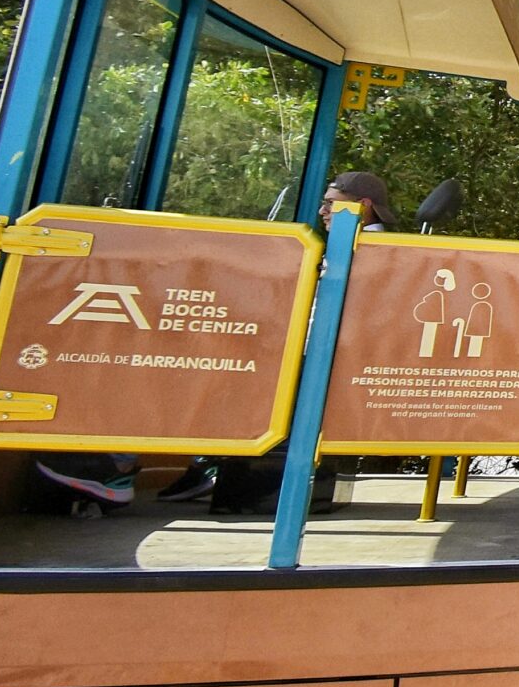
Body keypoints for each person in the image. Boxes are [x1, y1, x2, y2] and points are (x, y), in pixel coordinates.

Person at [162, 169, 400, 505]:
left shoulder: (375, 248)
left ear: (362, 206)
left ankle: (213, 467)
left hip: (325, 357)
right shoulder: (348, 246)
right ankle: (211, 463)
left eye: (332, 205)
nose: (323, 212)